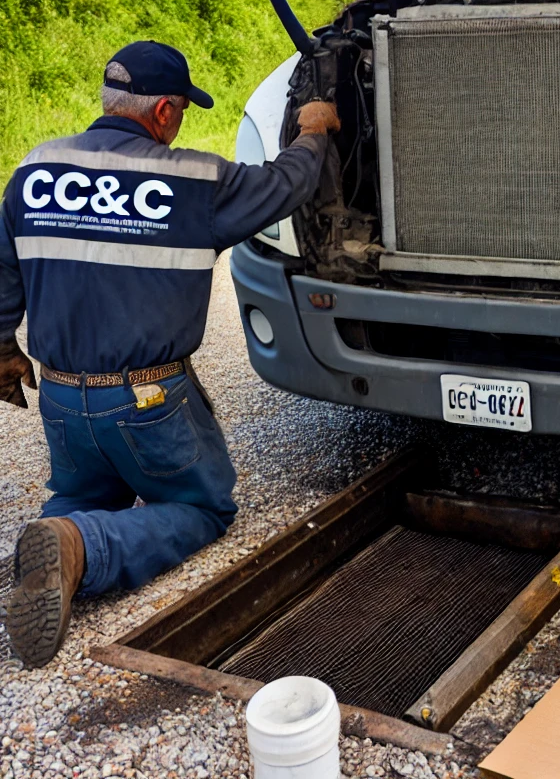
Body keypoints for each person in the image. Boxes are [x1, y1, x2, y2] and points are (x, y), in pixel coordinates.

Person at [0, 40, 339, 667]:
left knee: (81, 492)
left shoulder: (35, 169)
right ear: (162, 113)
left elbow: (3, 274)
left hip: (62, 402)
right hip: (146, 402)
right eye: (180, 109)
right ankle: (80, 547)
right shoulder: (193, 181)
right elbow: (285, 184)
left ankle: (59, 531)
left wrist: (2, 351)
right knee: (202, 506)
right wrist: (312, 133)